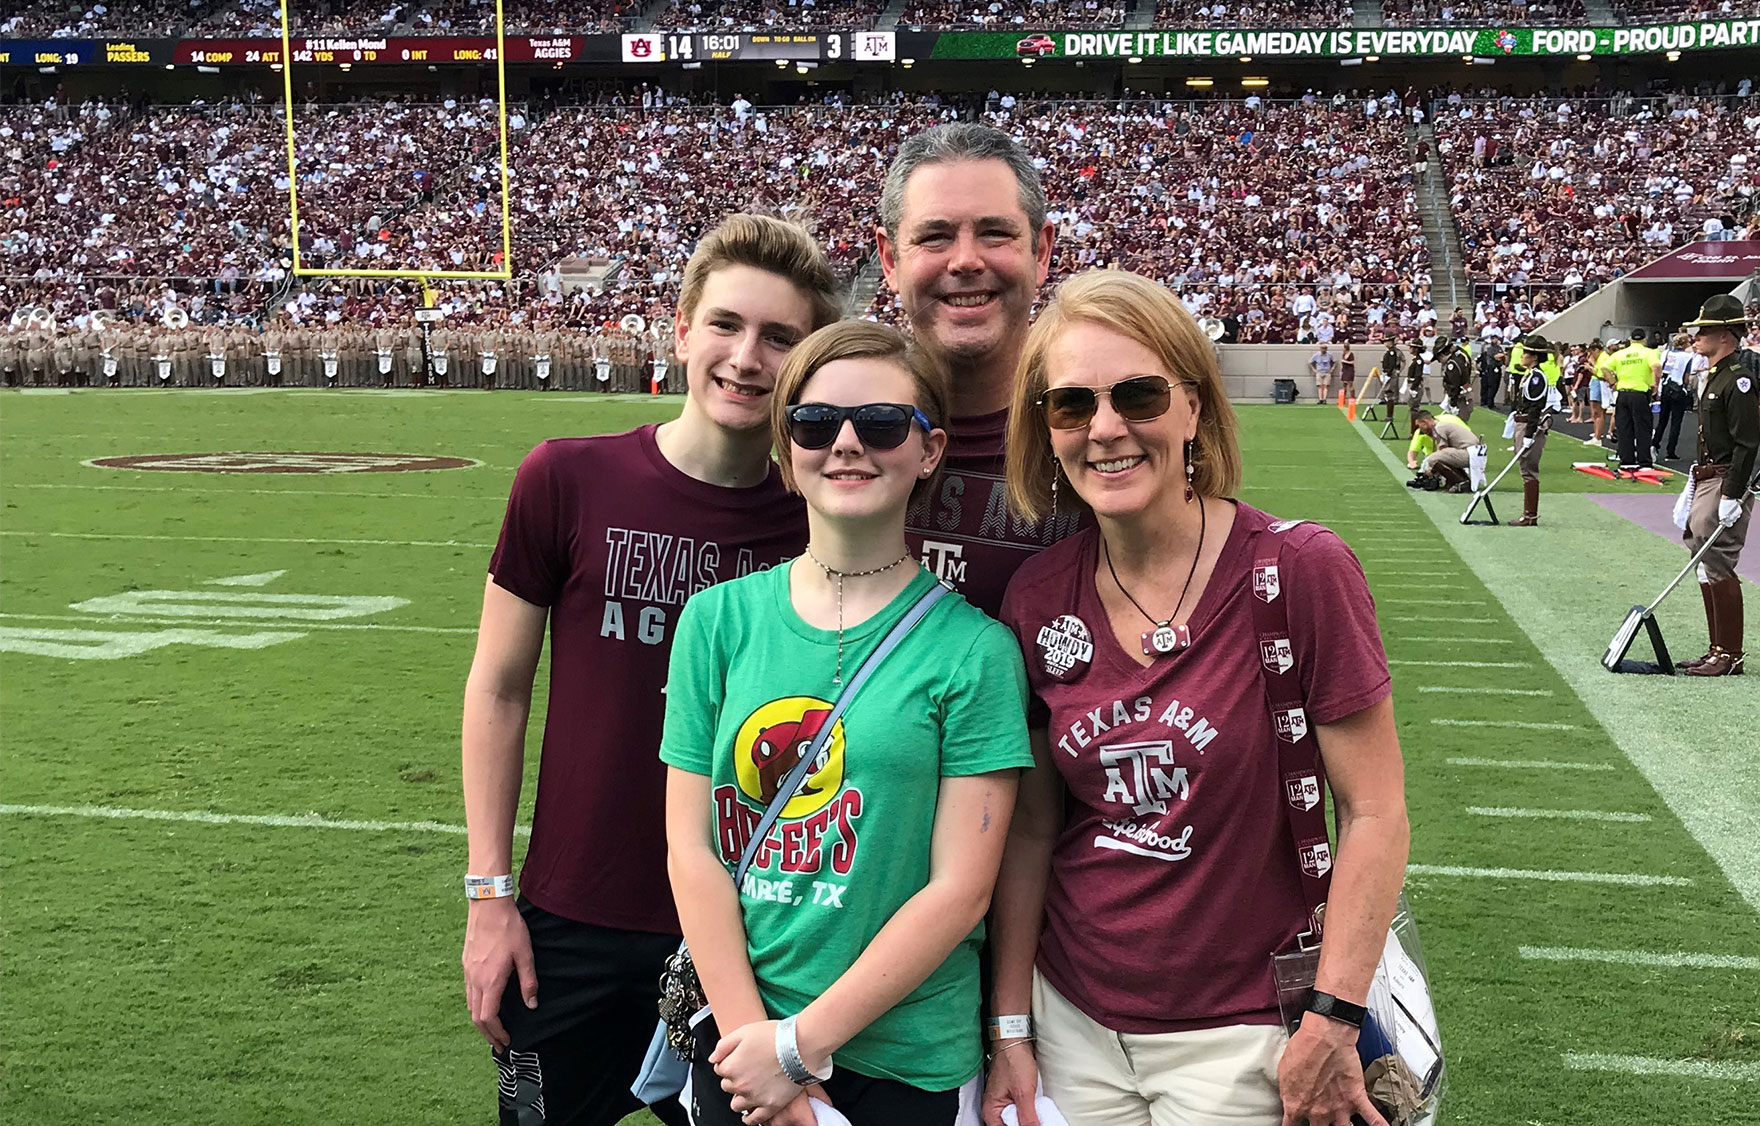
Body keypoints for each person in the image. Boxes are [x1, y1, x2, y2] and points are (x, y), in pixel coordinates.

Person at [985, 269, 1408, 1126]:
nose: (1105, 429)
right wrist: (1012, 1027)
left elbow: (1374, 812)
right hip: (1073, 1025)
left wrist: (1333, 1019)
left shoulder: (1300, 568)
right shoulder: (1036, 595)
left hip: (1248, 1038)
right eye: (1071, 406)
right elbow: (1032, 828)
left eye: (1137, 395)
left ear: (1195, 409)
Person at [459, 214, 841, 1126]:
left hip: (749, 935)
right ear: (679, 328)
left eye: (779, 338)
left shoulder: (827, 521)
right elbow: (499, 688)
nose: (747, 358)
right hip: (566, 925)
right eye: (726, 324)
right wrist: (488, 897)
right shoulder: (564, 479)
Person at [664, 320, 1032, 1126]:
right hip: (740, 1041)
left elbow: (961, 890)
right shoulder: (716, 622)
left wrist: (798, 1051)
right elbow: (692, 849)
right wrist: (753, 1044)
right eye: (815, 422)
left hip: (902, 1057)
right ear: (785, 444)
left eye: (882, 423)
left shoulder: (976, 651)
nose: (846, 445)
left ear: (929, 450)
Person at [877, 123, 1078, 617]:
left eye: (994, 233)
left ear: (1041, 251)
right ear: (889, 259)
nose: (965, 260)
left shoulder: (1099, 429)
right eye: (934, 237)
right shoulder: (834, 432)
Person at [1671, 296, 1760, 677]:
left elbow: (1746, 442)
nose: (1696, 335)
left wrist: (1731, 494)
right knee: (1702, 558)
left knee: (1718, 560)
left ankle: (1730, 655)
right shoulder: (1713, 374)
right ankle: (1716, 648)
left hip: (1725, 477)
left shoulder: (1737, 378)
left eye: (1705, 329)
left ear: (1726, 334)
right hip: (1708, 475)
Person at [1507, 335, 1563, 527]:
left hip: (1528, 425)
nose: (1522, 356)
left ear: (1535, 357)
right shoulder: (1531, 375)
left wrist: (1529, 435)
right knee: (1524, 469)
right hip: (1522, 422)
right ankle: (1528, 513)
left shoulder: (1537, 378)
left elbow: (1534, 408)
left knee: (1528, 470)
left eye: (1526, 353)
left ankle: (1530, 515)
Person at [1610, 327, 1660, 474]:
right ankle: (1644, 462)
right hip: (1640, 393)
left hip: (1623, 392)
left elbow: (1605, 368)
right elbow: (1656, 366)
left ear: (1630, 339)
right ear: (1644, 339)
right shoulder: (1650, 352)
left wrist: (1613, 382)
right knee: (1643, 428)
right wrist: (1656, 383)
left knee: (1624, 427)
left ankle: (1626, 461)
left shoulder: (1620, 354)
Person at [1653, 332, 1701, 463]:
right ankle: (1670, 451)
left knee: (1662, 420)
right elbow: (1686, 376)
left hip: (1666, 387)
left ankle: (1654, 444)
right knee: (1676, 422)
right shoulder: (1688, 357)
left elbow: (1661, 370)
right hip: (1678, 389)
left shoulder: (1666, 353)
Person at [1408, 407, 1479, 492]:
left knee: (1433, 459)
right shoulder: (1442, 425)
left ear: (1425, 422)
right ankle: (1460, 479)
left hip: (1469, 453)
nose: (1420, 429)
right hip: (1474, 453)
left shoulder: (1439, 428)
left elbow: (1443, 450)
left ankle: (1461, 482)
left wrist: (1430, 469)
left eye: (1419, 425)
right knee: (1441, 458)